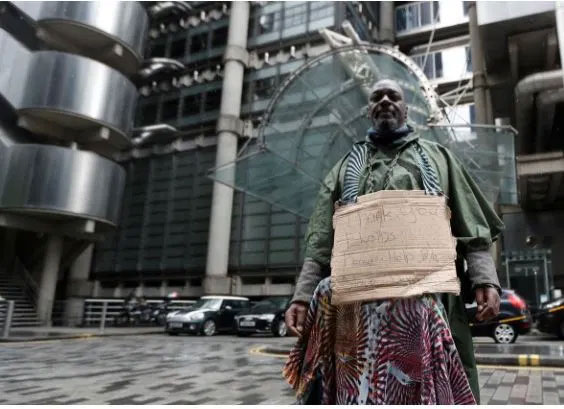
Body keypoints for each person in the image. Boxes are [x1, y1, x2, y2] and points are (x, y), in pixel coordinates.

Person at [283, 79, 504, 404]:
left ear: (405, 107)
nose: (385, 100)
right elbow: (320, 241)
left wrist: (486, 279)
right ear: (369, 109)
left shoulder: (438, 158)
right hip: (356, 317)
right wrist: (302, 297)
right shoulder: (345, 167)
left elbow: (472, 226)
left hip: (427, 306)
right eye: (377, 97)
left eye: (393, 96)